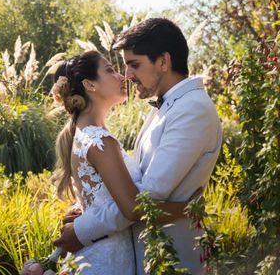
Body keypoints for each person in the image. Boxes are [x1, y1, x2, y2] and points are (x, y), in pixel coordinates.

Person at [54, 18, 223, 274]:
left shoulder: (192, 109)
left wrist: (84, 228)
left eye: (134, 64)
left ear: (164, 62)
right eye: (122, 67)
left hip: (172, 256)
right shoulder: (164, 107)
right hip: (141, 255)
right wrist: (88, 205)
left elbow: (146, 196)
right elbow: (129, 187)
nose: (127, 75)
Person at [37, 50, 194, 275]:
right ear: (90, 85)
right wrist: (187, 209)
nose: (123, 76)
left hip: (97, 256)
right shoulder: (100, 141)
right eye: (110, 70)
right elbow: (132, 209)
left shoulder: (85, 134)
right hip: (107, 262)